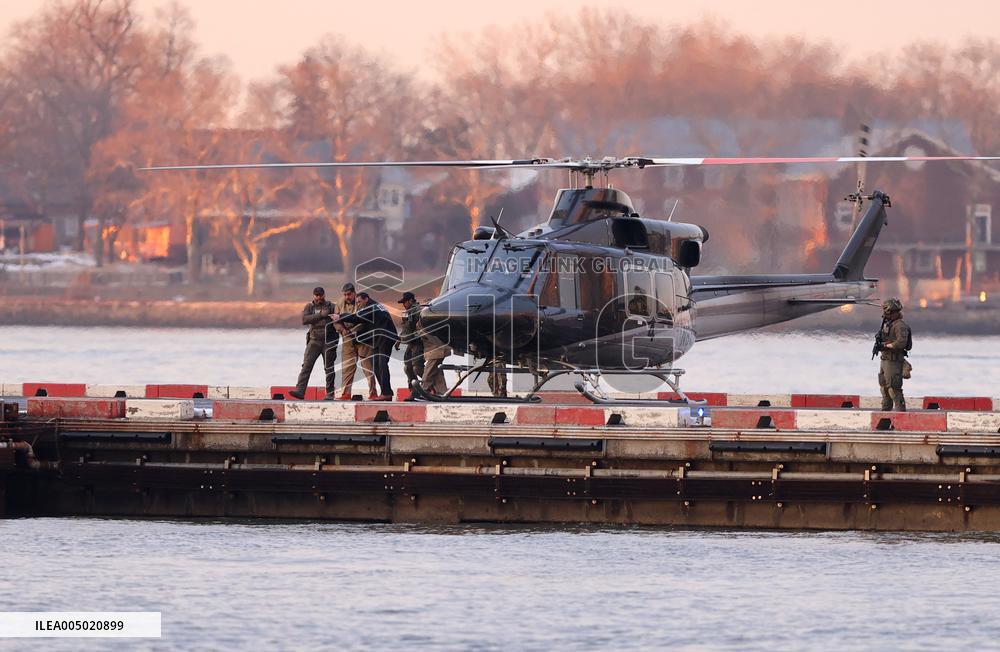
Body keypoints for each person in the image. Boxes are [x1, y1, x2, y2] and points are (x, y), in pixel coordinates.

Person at [334, 292, 398, 401]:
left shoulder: (371, 307)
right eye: (357, 302)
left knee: (382, 364)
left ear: (366, 299)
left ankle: (386, 393)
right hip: (380, 338)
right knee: (376, 364)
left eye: (359, 302)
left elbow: (356, 318)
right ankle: (385, 392)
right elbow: (368, 325)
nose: (358, 304)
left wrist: (340, 316)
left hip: (385, 337)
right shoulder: (374, 307)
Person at [290, 287, 337, 400]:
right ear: (313, 295)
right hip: (314, 341)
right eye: (316, 295)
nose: (318, 297)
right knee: (306, 366)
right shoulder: (309, 307)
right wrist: (321, 315)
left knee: (329, 368)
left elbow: (338, 318)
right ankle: (300, 391)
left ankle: (330, 393)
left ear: (324, 295)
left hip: (328, 341)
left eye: (320, 295)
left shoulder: (331, 306)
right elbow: (304, 320)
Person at [334, 282, 377, 400]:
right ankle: (346, 393)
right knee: (347, 367)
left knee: (368, 367)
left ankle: (373, 392)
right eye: (345, 294)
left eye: (349, 294)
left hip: (363, 337)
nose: (347, 297)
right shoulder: (339, 303)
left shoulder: (361, 302)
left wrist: (355, 331)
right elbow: (336, 320)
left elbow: (364, 320)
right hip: (347, 337)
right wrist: (343, 330)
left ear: (354, 293)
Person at [876, 297, 911, 412]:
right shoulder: (888, 324)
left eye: (888, 311)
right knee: (884, 388)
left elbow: (901, 343)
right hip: (885, 359)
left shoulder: (899, 325)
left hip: (894, 360)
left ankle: (901, 414)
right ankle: (885, 413)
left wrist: (886, 345)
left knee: (894, 388)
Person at [396, 291, 424, 391]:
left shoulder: (416, 310)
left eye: (405, 302)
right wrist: (399, 340)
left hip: (418, 342)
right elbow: (406, 329)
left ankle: (430, 385)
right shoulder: (410, 311)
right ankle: (414, 389)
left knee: (417, 367)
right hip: (412, 342)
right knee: (408, 367)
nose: (404, 304)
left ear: (411, 301)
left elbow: (416, 328)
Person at [420, 312, 452, 396]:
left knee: (429, 371)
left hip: (436, 351)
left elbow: (432, 337)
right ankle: (443, 392)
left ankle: (424, 389)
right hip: (436, 350)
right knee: (437, 372)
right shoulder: (434, 321)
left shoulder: (426, 323)